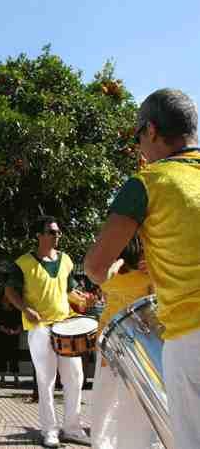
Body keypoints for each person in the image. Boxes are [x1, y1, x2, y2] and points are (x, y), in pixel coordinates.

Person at [84, 88, 200, 449]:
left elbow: (95, 266)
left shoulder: (148, 182)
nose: (140, 149)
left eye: (138, 138)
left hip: (191, 336)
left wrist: (108, 276)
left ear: (150, 130)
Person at [5, 215, 90, 447]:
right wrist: (25, 308)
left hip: (65, 326)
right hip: (40, 328)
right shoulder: (22, 263)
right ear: (39, 236)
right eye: (52, 232)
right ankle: (49, 431)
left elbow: (68, 291)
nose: (57, 235)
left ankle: (72, 428)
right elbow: (10, 291)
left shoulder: (66, 261)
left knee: (75, 377)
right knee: (46, 380)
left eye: (58, 231)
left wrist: (82, 299)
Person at [91, 236, 162, 449]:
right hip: (116, 341)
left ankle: (113, 444)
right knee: (113, 399)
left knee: (119, 401)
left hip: (129, 341)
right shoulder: (117, 268)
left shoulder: (145, 269)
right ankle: (105, 444)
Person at [0, 290, 22, 388]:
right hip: (1, 337)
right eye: (5, 298)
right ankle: (2, 379)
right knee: (2, 357)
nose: (7, 300)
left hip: (14, 336)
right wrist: (7, 331)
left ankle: (16, 379)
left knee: (14, 357)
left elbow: (20, 324)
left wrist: (16, 331)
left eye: (8, 298)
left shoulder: (16, 310)